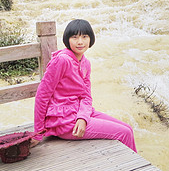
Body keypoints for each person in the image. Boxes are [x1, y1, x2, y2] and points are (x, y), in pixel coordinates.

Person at [31, 19, 137, 152]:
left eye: (84, 37)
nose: (80, 42)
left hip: (79, 113)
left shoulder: (85, 63)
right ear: (67, 40)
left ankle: (129, 166)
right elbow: (42, 95)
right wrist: (38, 132)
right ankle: (129, 169)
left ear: (90, 39)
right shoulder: (62, 60)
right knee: (123, 133)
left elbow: (86, 97)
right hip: (65, 121)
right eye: (75, 37)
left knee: (128, 129)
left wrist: (83, 118)